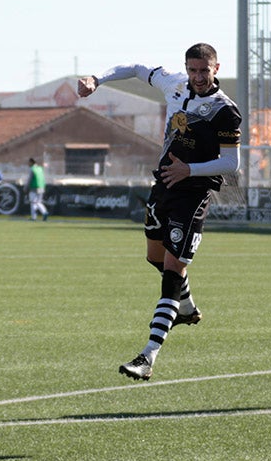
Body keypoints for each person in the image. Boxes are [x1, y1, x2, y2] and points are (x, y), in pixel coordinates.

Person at [78, 43, 242, 381]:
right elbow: (137, 68)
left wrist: (190, 170)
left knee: (171, 271)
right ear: (186, 67)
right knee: (155, 257)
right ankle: (186, 307)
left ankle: (148, 356)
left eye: (204, 71)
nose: (198, 77)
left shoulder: (225, 111)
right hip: (164, 185)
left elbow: (231, 163)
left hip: (193, 193)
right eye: (193, 70)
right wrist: (99, 78)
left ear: (216, 68)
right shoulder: (174, 83)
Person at [25, 157, 49, 221]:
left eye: (29, 162)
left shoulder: (32, 169)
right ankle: (44, 213)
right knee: (38, 202)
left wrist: (26, 187)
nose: (28, 164)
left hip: (34, 187)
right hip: (41, 187)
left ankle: (36, 216)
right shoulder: (40, 168)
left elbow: (29, 179)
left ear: (31, 162)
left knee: (33, 202)